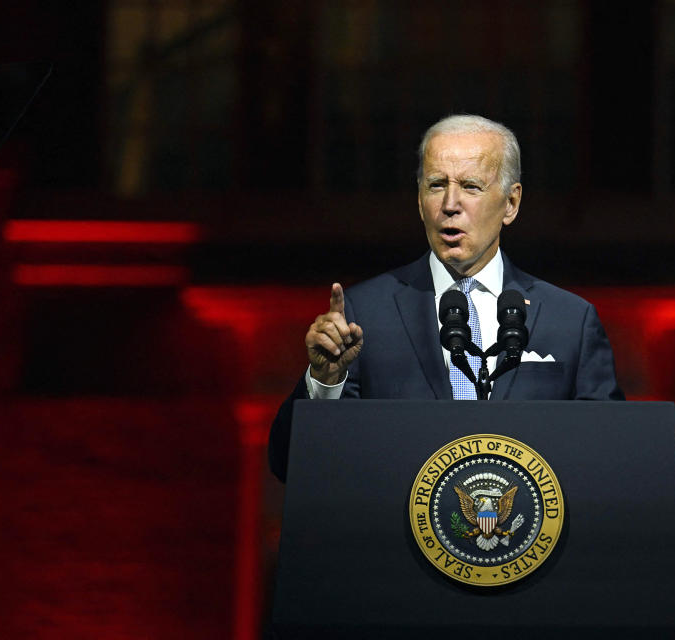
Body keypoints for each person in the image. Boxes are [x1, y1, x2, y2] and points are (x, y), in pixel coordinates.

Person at [268, 114, 627, 483]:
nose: (450, 204)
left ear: (511, 203)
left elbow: (610, 456)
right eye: (436, 185)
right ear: (420, 200)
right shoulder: (365, 316)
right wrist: (325, 381)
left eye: (471, 186)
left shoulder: (569, 320)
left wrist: (650, 450)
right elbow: (290, 463)